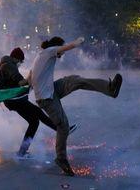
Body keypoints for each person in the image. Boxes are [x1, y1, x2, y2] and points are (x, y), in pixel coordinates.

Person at [29, 36, 123, 176]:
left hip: (51, 90)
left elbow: (30, 76)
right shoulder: (50, 51)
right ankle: (61, 159)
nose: (62, 55)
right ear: (56, 47)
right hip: (46, 98)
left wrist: (22, 84)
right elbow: (66, 47)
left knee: (75, 80)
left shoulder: (42, 55)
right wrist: (78, 42)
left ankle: (110, 89)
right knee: (63, 126)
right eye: (61, 51)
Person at [0, 47, 76, 159]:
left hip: (9, 101)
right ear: (16, 58)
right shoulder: (10, 67)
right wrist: (31, 75)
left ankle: (22, 153)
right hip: (15, 100)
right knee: (38, 113)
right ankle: (62, 130)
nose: (20, 63)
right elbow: (22, 83)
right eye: (20, 61)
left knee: (34, 122)